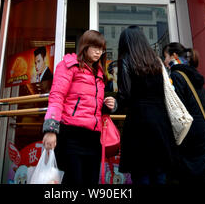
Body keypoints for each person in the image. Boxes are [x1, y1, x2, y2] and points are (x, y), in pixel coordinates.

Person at [42, 30, 116, 185]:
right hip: (71, 135)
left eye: (101, 49)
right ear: (85, 46)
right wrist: (51, 129)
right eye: (95, 47)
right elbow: (56, 97)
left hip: (93, 138)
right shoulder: (69, 65)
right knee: (73, 180)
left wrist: (107, 105)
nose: (98, 52)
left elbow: (87, 102)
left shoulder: (99, 74)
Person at [116, 26, 176, 185]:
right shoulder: (157, 61)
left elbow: (125, 95)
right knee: (159, 172)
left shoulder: (126, 60)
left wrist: (115, 104)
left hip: (138, 122)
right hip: (160, 121)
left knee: (141, 174)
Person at [163, 42, 205, 184]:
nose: (164, 61)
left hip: (188, 140)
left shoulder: (176, 76)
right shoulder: (195, 76)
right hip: (204, 135)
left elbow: (176, 111)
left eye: (165, 56)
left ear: (174, 56)